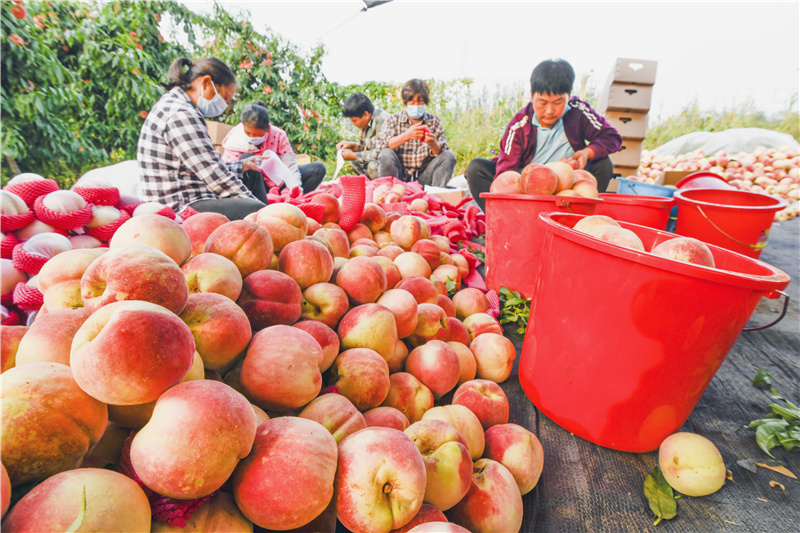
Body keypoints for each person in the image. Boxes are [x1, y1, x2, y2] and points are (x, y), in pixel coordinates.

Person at [465, 59, 623, 211]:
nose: (549, 111)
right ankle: (501, 219)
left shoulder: (578, 111)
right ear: (532, 95)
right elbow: (506, 171)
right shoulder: (520, 125)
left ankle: (580, 216)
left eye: (558, 102)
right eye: (542, 102)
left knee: (603, 164)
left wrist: (586, 153)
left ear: (568, 96)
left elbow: (612, 137)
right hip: (528, 192)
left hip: (566, 189)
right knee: (476, 168)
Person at [137, 57, 268, 220]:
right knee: (256, 210)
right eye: (225, 98)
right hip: (180, 208)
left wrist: (242, 166)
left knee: (250, 171)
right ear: (206, 83)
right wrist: (264, 213)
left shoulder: (177, 106)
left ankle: (268, 220)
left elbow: (200, 167)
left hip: (190, 192)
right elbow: (216, 176)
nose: (225, 106)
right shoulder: (181, 114)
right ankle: (271, 222)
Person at [221, 102, 326, 194]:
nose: (252, 137)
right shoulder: (234, 139)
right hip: (253, 189)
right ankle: (261, 204)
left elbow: (290, 165)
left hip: (279, 183)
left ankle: (289, 200)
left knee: (318, 168)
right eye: (248, 133)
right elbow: (228, 171)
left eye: (257, 134)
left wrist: (296, 189)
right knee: (247, 159)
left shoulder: (279, 136)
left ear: (268, 129)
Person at [376, 79, 456, 187]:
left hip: (424, 178)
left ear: (426, 102)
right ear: (405, 102)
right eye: (412, 102)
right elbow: (381, 146)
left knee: (448, 156)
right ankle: (389, 193)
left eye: (420, 101)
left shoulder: (434, 122)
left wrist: (433, 143)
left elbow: (441, 152)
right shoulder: (393, 120)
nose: (416, 105)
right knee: (385, 154)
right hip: (399, 177)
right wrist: (407, 135)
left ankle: (437, 195)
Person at [336, 93, 390, 179]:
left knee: (372, 166)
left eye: (355, 121)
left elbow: (382, 152)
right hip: (377, 159)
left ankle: (382, 187)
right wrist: (353, 146)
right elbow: (367, 147)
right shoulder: (366, 124)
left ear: (366, 114)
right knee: (355, 161)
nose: (353, 124)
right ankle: (369, 187)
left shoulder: (383, 120)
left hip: (390, 165)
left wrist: (355, 155)